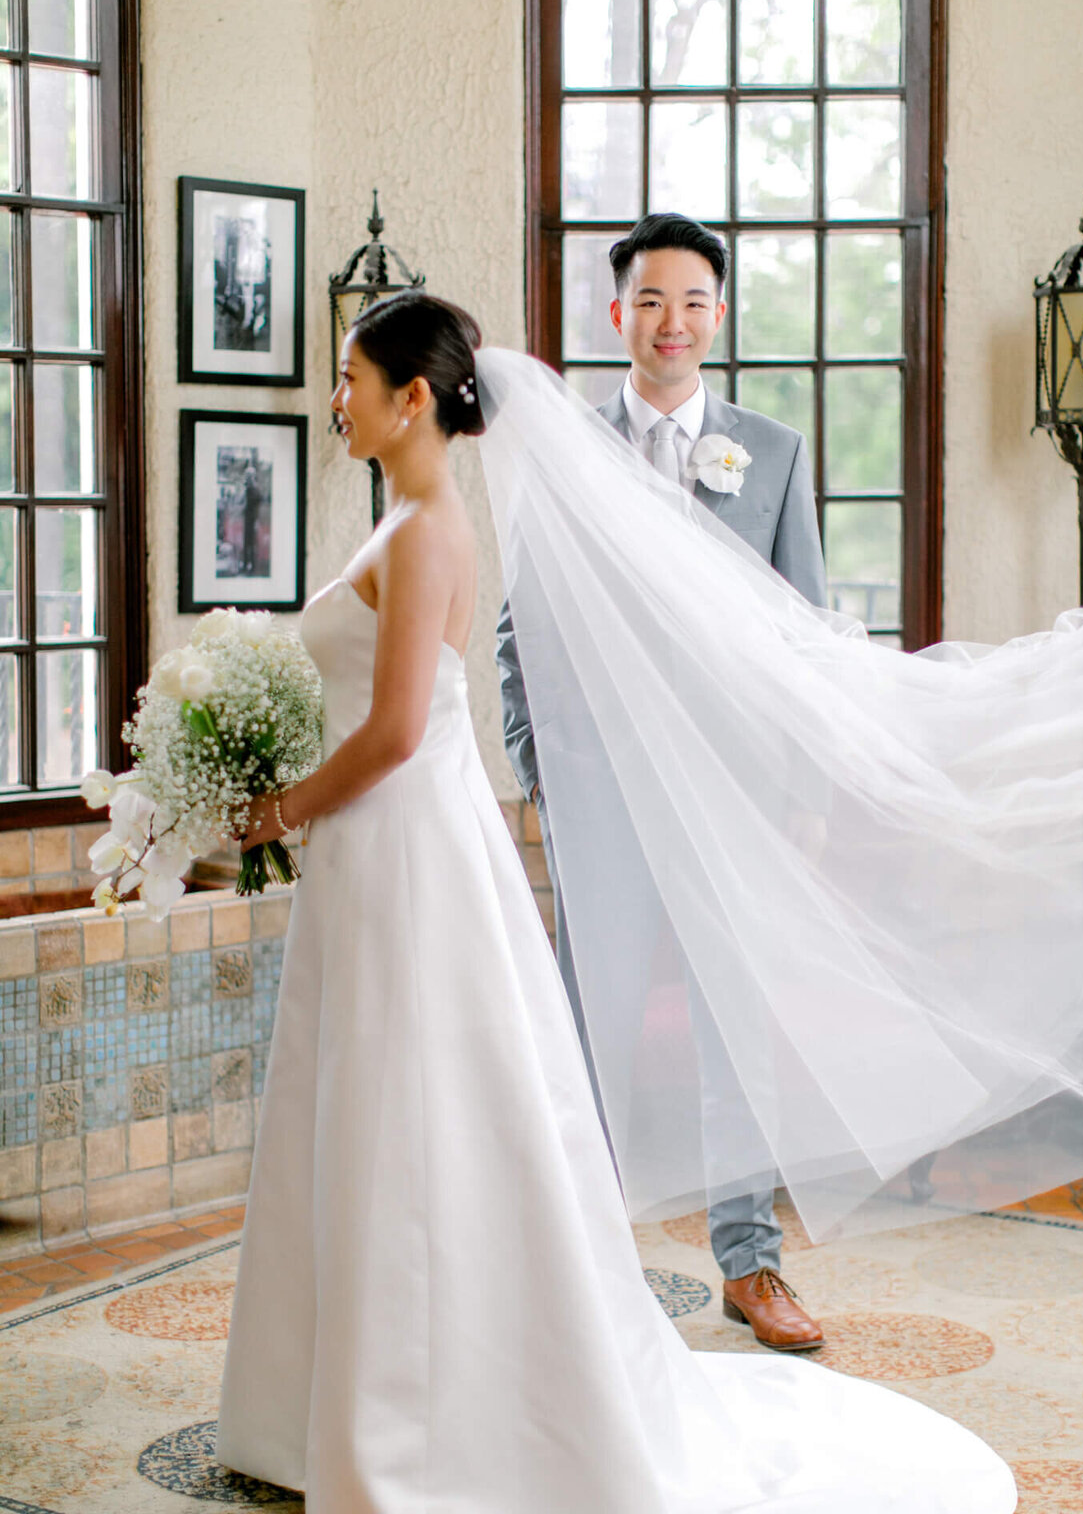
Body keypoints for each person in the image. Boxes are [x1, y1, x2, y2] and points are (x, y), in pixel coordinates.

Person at [217, 289, 1016, 1514]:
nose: (337, 401)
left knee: (411, 1102)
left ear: (411, 397)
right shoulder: (410, 519)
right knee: (374, 1096)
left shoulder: (427, 529)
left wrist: (274, 811)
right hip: (380, 848)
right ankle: (328, 1396)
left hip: (406, 842)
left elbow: (394, 731)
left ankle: (412, 1411)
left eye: (349, 380)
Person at [498, 212, 828, 1354]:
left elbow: (802, 634)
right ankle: (580, 1268)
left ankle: (751, 1262)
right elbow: (520, 623)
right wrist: (542, 767)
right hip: (601, 795)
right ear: (617, 315)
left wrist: (793, 791)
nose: (671, 322)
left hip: (733, 796)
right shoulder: (566, 452)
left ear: (718, 315)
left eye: (691, 302)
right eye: (650, 301)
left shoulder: (774, 453)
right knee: (589, 1028)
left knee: (738, 1031)